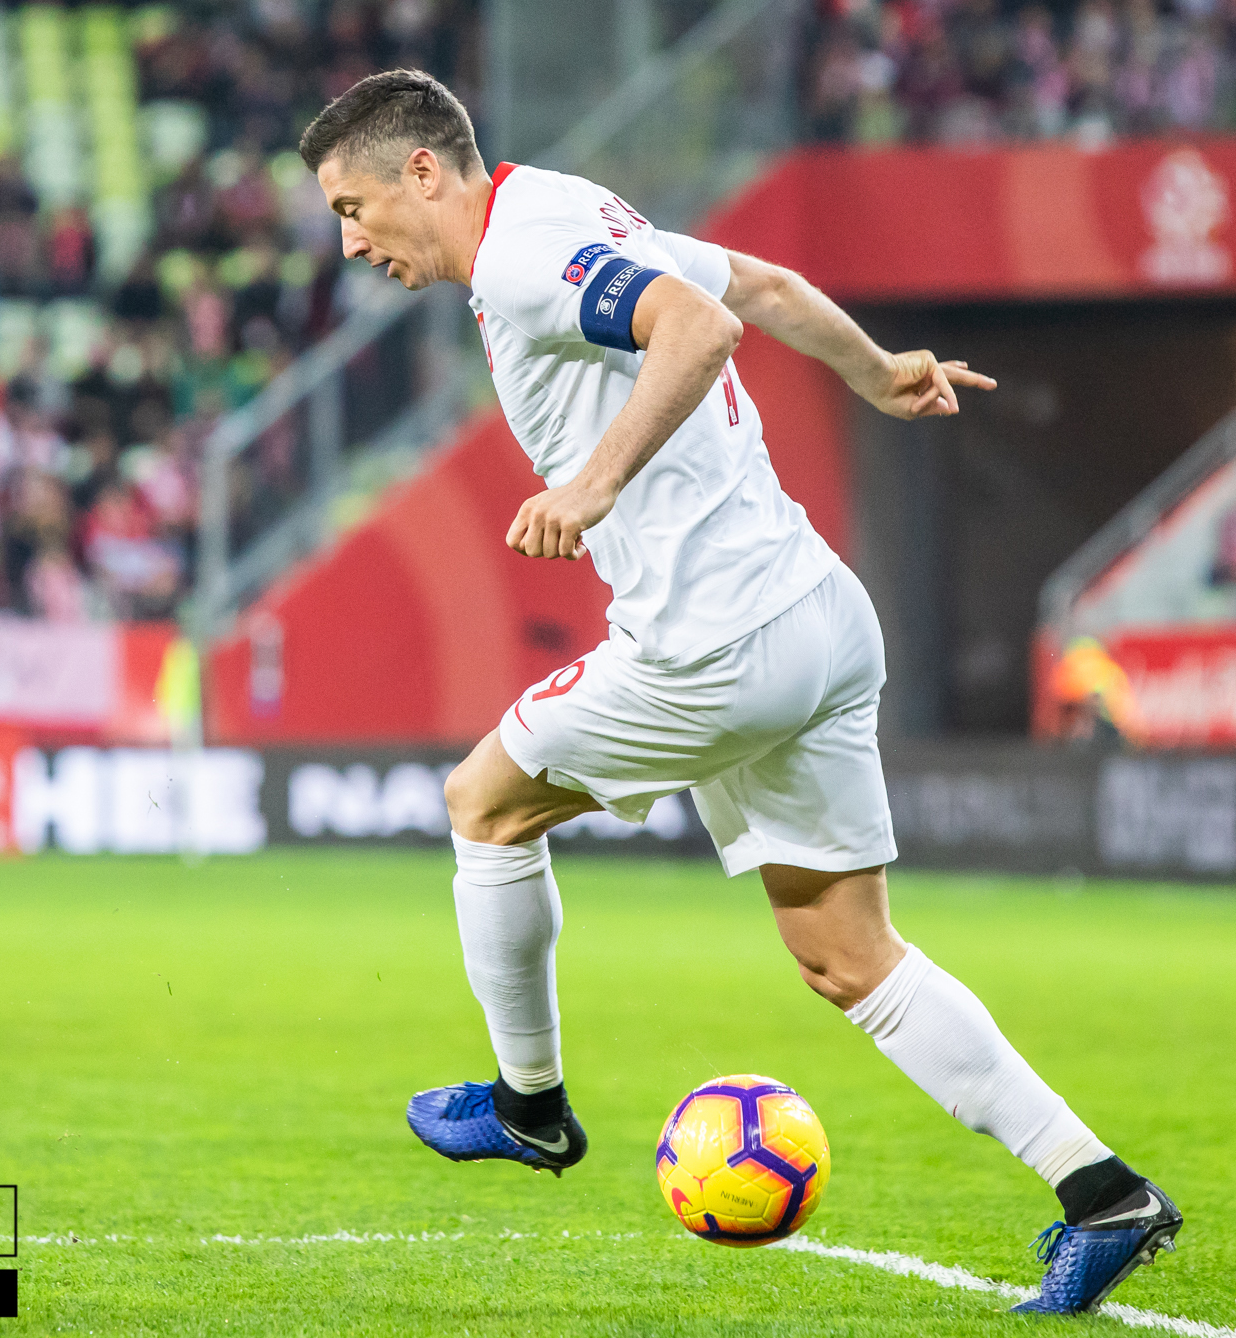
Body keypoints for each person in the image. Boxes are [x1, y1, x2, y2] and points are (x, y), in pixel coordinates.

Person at [296, 68, 1180, 1315]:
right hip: (818, 617)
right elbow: (754, 288)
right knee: (848, 957)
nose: (348, 241)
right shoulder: (563, 207)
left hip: (710, 649)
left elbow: (702, 328)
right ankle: (1103, 1197)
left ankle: (527, 1105)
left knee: (481, 806)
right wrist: (872, 369)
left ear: (423, 172)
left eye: (351, 207)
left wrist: (593, 484)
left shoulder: (522, 259)